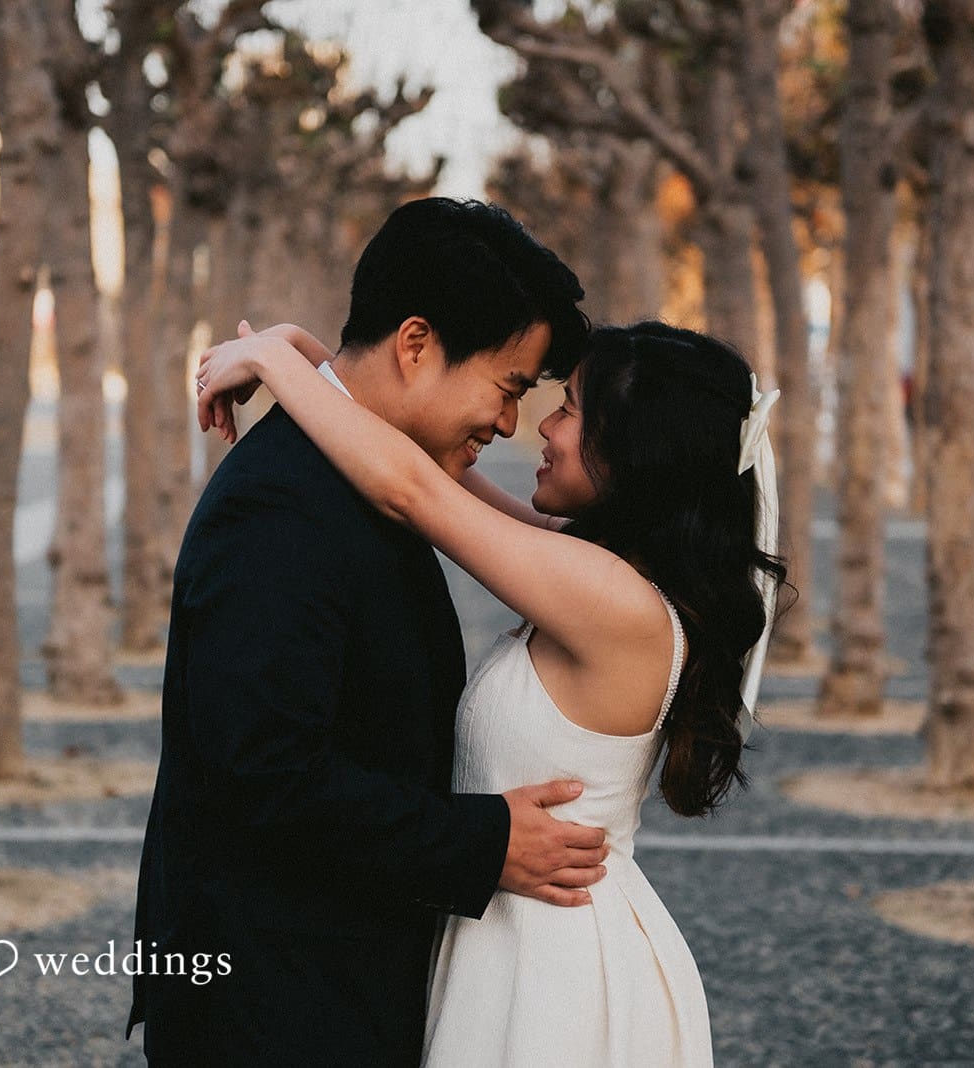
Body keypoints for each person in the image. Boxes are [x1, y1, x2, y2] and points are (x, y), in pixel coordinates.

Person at [195, 318, 785, 1066]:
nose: (543, 422)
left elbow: (412, 490)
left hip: (555, 969)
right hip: (513, 930)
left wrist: (272, 361)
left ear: (635, 447)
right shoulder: (599, 570)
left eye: (570, 406)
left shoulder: (612, 599)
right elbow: (427, 465)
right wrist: (326, 362)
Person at [126, 198, 607, 1065]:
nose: (508, 425)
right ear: (417, 345)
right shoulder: (282, 503)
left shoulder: (365, 477)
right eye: (507, 388)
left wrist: (289, 353)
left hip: (330, 982)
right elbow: (266, 773)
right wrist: (484, 840)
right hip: (271, 1003)